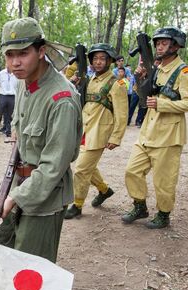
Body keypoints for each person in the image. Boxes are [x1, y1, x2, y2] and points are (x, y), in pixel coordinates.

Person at [0, 17, 82, 290]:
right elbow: (19, 132)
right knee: (0, 235)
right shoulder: (23, 83)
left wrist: (15, 197)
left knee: (35, 260)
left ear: (41, 51)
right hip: (20, 178)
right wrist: (9, 186)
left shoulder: (62, 98)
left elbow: (53, 167)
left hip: (45, 193)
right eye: (9, 55)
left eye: (23, 53)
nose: (15, 62)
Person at [121, 27, 188, 229]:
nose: (159, 46)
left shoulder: (185, 72)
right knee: (132, 171)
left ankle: (164, 215)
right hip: (148, 131)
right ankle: (140, 206)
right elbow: (143, 95)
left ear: (176, 45)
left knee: (164, 180)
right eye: (157, 43)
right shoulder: (156, 68)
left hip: (169, 135)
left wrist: (164, 104)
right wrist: (139, 77)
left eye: (164, 43)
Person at [64, 43, 128, 220]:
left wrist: (116, 137)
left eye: (102, 58)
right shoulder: (90, 79)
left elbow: (122, 114)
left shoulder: (117, 83)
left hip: (100, 132)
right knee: (88, 166)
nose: (98, 62)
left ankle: (77, 205)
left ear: (110, 61)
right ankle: (104, 190)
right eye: (95, 58)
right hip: (85, 129)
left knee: (81, 170)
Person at [0, 65, 18, 137]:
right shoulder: (1, 73)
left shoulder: (16, 74)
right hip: (2, 95)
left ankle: (8, 131)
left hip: (12, 96)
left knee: (10, 114)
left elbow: (18, 86)